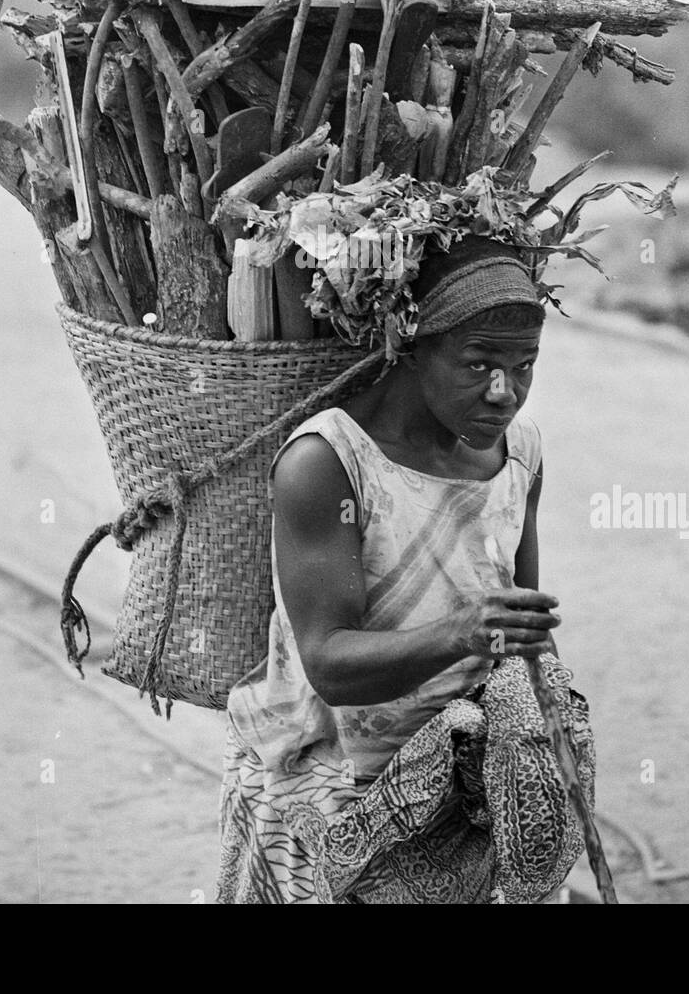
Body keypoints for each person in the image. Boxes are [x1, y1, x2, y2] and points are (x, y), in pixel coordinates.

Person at [218, 234, 589, 904]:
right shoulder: (330, 462)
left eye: (525, 366)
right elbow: (328, 665)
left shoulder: (520, 459)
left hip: (467, 790)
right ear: (413, 345)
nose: (507, 393)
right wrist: (465, 632)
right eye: (479, 364)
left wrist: (548, 747)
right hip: (335, 798)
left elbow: (522, 634)